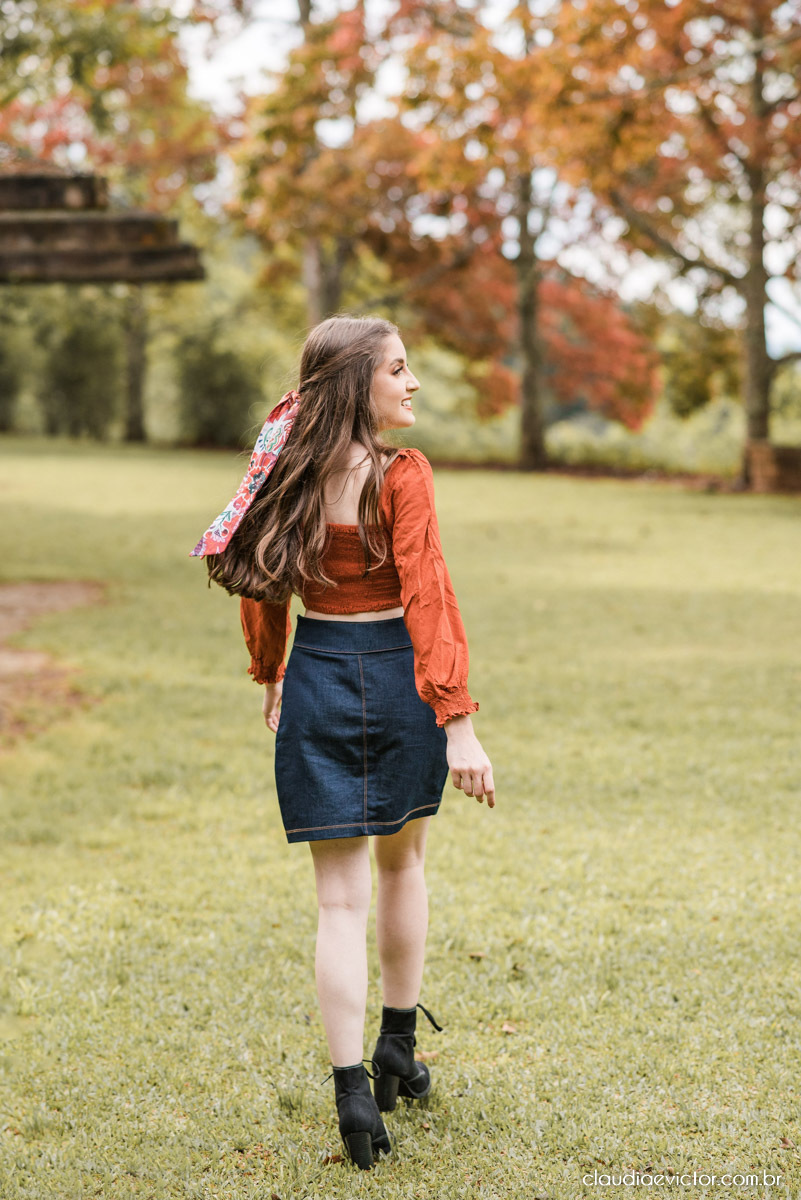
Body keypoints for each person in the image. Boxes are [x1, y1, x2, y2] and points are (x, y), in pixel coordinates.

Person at [191, 314, 495, 1170]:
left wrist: (273, 671)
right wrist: (458, 721)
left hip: (318, 678)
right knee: (403, 865)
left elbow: (260, 582)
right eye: (398, 370)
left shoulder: (281, 468)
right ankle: (398, 1042)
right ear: (359, 383)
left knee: (336, 904)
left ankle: (355, 1088)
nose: (412, 384)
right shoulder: (402, 477)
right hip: (398, 678)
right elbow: (429, 594)